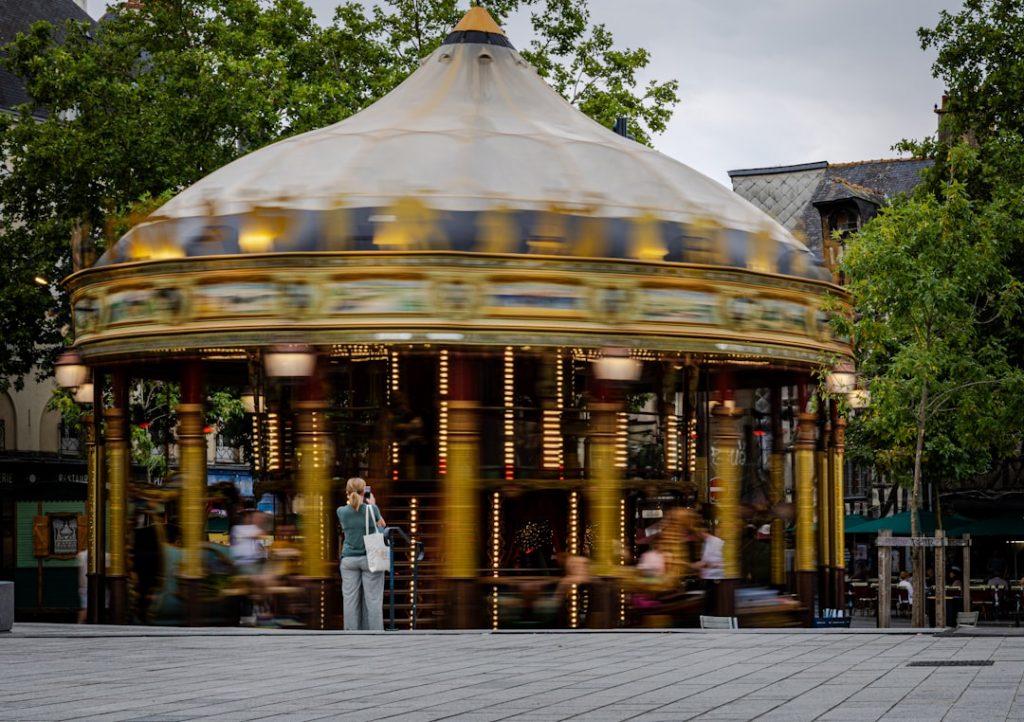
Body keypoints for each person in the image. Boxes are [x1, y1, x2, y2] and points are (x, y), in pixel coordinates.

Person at [337, 477, 387, 630]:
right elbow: (382, 526)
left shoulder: (341, 511)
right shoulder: (372, 509)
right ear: (364, 491)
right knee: (373, 599)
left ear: (347, 492)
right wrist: (372, 504)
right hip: (370, 558)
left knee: (350, 600)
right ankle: (375, 633)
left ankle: (351, 633)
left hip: (349, 560)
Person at [691, 526, 724, 614]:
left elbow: (716, 563)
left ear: (702, 531)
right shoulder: (706, 543)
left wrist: (698, 565)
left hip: (716, 579)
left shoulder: (715, 542)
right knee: (708, 606)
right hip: (709, 579)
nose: (695, 538)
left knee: (710, 607)